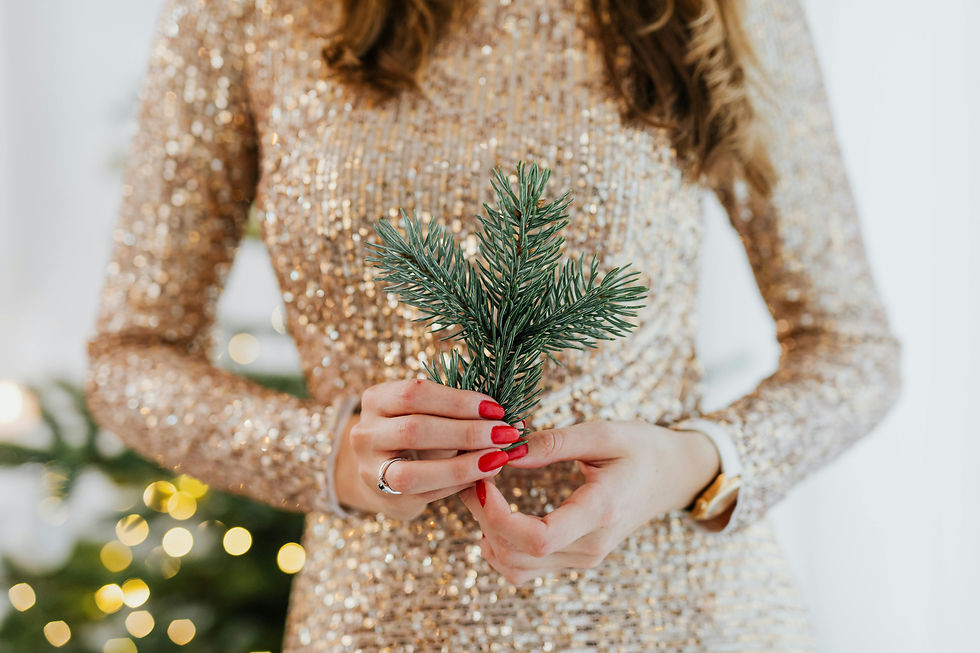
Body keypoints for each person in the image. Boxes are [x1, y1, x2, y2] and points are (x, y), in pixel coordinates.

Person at [83, 0, 901, 649]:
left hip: (681, 614)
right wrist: (326, 454)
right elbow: (131, 357)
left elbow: (853, 347)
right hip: (379, 624)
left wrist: (694, 461)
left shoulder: (712, 8)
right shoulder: (251, 11)